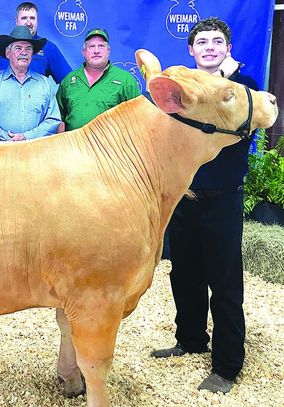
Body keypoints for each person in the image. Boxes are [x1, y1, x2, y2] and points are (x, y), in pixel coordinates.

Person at [151, 17, 259, 394]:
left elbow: (242, 126)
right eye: (202, 42)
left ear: (228, 49)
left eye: (217, 42)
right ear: (191, 51)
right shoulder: (181, 93)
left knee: (225, 283)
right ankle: (191, 339)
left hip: (223, 198)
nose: (210, 47)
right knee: (183, 274)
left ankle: (227, 367)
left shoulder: (243, 88)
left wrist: (229, 77)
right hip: (185, 196)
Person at [0, 25, 61, 141]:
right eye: (18, 48)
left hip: (34, 152)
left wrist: (27, 137)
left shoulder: (45, 84)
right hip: (0, 152)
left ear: (32, 54)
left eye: (28, 49)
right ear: (7, 53)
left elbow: (53, 119)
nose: (24, 52)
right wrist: (6, 138)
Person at [56, 28, 140, 131]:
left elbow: (138, 117)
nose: (96, 51)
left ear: (108, 50)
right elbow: (59, 118)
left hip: (110, 145)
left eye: (101, 46)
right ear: (84, 52)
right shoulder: (69, 80)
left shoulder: (125, 80)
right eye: (91, 46)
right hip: (74, 145)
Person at [0, 2, 71, 84]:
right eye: (24, 18)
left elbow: (67, 82)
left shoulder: (49, 48)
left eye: (32, 18)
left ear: (37, 21)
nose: (29, 23)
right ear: (16, 21)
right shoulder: (3, 46)